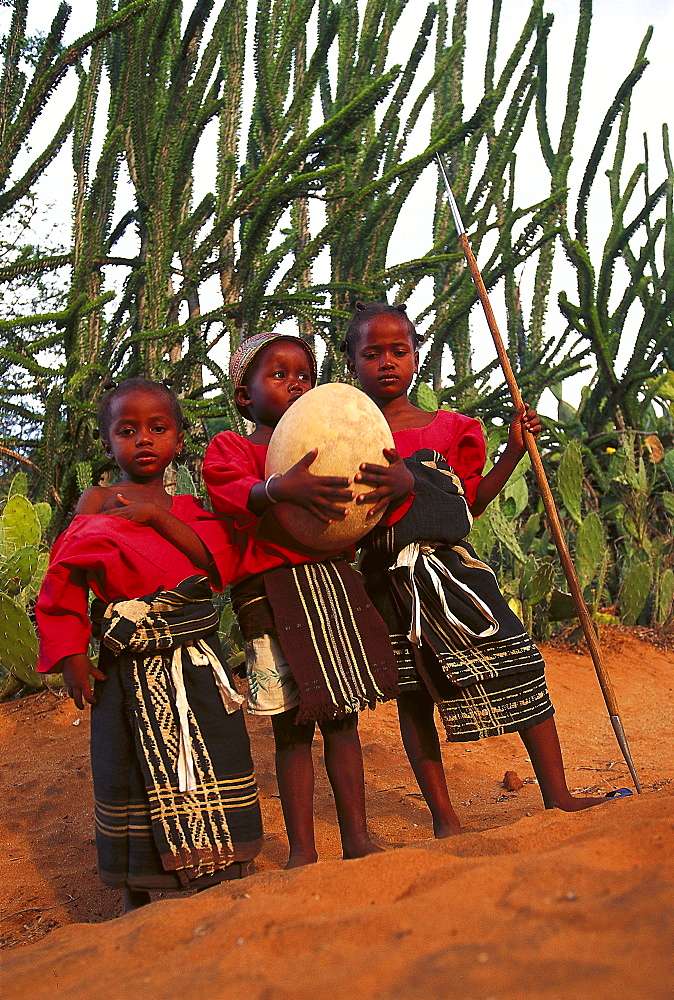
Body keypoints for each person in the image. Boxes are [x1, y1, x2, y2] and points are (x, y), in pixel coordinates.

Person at [343, 302, 622, 836]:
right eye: (371, 353)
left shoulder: (450, 429)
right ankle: (444, 817)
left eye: (398, 351)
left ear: (417, 358)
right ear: (352, 364)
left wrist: (514, 452)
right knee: (415, 694)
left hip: (455, 573)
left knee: (519, 659)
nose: (386, 363)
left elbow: (469, 505)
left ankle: (557, 794)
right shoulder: (345, 439)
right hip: (387, 584)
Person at [36, 377, 263, 912]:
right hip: (125, 670)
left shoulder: (189, 506)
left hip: (194, 666)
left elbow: (215, 565)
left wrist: (158, 517)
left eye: (158, 428)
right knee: (130, 769)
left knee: (216, 758)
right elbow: (63, 580)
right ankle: (142, 889)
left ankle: (221, 875)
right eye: (127, 430)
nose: (144, 440)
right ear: (107, 442)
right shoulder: (97, 501)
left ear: (180, 440)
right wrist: (71, 654)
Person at [202, 332, 398, 868]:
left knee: (343, 717)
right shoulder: (234, 449)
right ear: (245, 396)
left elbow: (365, 502)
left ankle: (357, 838)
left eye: (304, 375)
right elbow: (226, 493)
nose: (296, 385)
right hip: (271, 601)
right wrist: (277, 489)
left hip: (331, 586)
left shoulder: (331, 444)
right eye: (279, 374)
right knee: (291, 727)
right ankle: (302, 851)